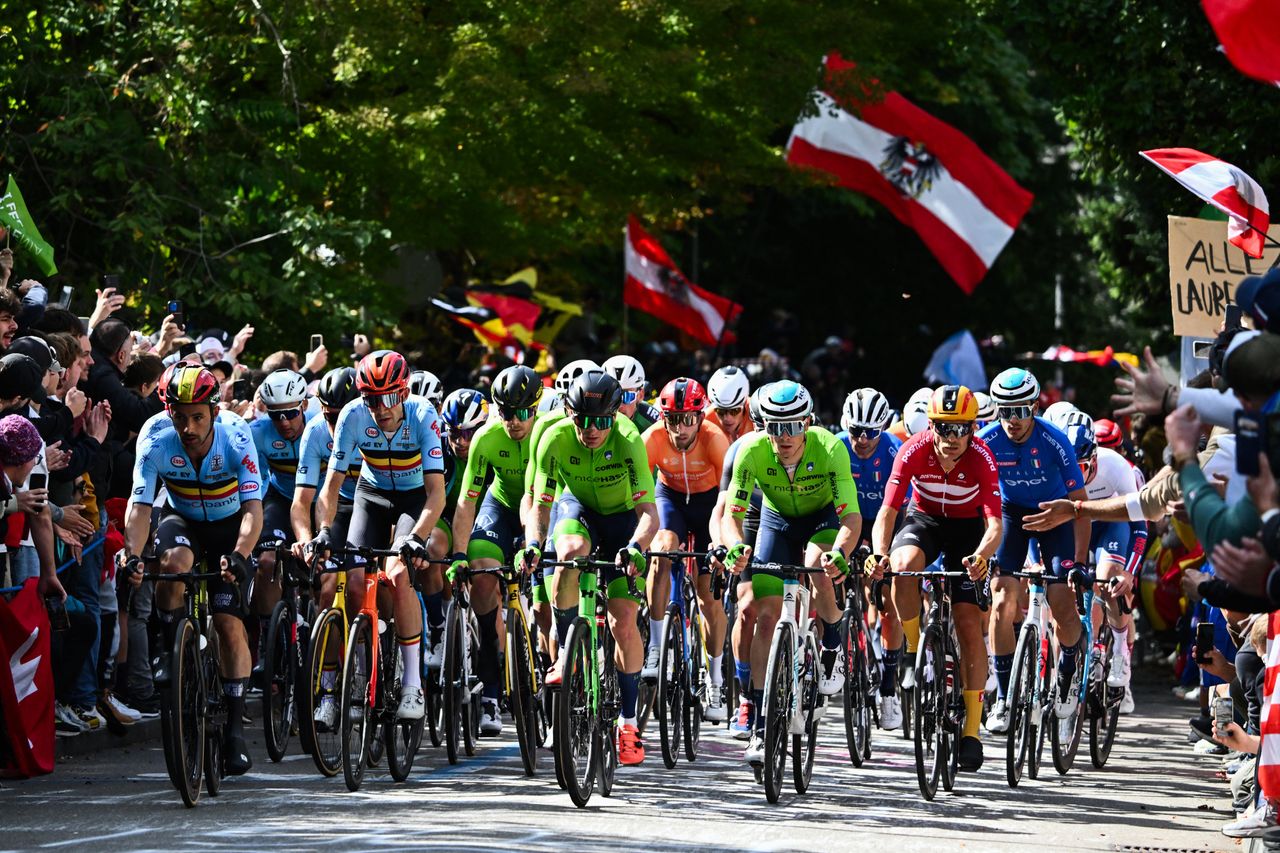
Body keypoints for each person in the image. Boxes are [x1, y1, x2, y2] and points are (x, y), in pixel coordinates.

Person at [120, 365, 263, 775]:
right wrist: (132, 553)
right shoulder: (154, 436)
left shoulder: (237, 434)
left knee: (227, 625)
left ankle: (234, 732)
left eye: (197, 416)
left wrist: (239, 554)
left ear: (214, 412)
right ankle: (173, 648)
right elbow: (140, 505)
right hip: (181, 518)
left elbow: (254, 510)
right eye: (179, 416)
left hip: (230, 527)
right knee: (171, 566)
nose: (187, 427)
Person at [520, 369, 658, 766]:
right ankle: (566, 651)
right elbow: (540, 504)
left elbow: (649, 512)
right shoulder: (555, 437)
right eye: (582, 419)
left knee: (623, 622)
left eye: (601, 421)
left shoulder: (629, 438)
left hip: (621, 522)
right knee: (568, 552)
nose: (591, 429)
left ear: (614, 416)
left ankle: (628, 723)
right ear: (569, 411)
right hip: (576, 507)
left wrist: (635, 548)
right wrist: (532, 543)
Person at [722, 380, 861, 767]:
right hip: (776, 520)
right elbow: (731, 515)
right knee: (766, 620)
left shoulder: (830, 447)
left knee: (817, 565)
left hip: (821, 519)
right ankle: (762, 729)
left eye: (793, 426)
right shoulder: (751, 450)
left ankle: (832, 637)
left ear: (808, 422)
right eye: (774, 427)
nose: (784, 437)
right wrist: (734, 546)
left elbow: (850, 515)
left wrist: (841, 552)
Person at [868, 385, 1002, 773]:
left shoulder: (981, 457)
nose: (952, 439)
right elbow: (888, 513)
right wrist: (880, 554)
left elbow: (995, 525)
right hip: (924, 519)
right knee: (903, 563)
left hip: (967, 529)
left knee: (967, 624)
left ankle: (972, 731)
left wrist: (982, 556)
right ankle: (913, 649)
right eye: (943, 428)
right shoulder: (914, 449)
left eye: (961, 429)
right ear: (931, 426)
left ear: (973, 429)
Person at [309, 350, 447, 721]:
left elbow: (437, 493)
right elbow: (331, 485)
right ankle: (360, 670)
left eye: (388, 398)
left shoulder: (423, 415)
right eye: (371, 399)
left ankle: (413, 685)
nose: (380, 408)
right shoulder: (353, 417)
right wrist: (322, 531)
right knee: (353, 582)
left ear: (402, 393)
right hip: (371, 495)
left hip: (413, 496)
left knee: (400, 574)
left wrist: (418, 536)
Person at [976, 368, 1089, 732]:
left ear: (1035, 406)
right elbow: (974, 499)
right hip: (1011, 514)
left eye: (1021, 411)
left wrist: (1082, 562)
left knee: (1061, 601)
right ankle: (1006, 699)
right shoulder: (987, 439)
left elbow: (1081, 506)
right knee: (1001, 602)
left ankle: (1068, 669)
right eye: (1004, 411)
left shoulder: (1054, 440)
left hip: (1056, 514)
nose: (1012, 420)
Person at [448, 366, 543, 736]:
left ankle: (555, 677)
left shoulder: (549, 432)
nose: (514, 421)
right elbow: (466, 502)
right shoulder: (487, 439)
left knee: (548, 596)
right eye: (505, 412)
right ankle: (489, 688)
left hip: (546, 506)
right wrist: (458, 555)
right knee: (483, 573)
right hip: (501, 504)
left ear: (535, 407)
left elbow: (540, 498)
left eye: (521, 413)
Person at [640, 377, 731, 721]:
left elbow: (727, 505)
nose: (681, 428)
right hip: (671, 500)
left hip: (710, 504)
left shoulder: (715, 440)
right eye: (673, 419)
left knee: (709, 597)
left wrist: (721, 545)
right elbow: (642, 498)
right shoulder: (652, 439)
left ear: (700, 416)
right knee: (662, 550)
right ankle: (655, 646)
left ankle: (717, 678)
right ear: (663, 418)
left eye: (689, 419)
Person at [290, 366, 362, 731]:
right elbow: (303, 499)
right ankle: (331, 690)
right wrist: (306, 539)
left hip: (373, 506)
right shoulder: (317, 431)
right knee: (328, 587)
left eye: (343, 415)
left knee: (362, 586)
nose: (336, 423)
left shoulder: (372, 424)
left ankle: (377, 657)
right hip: (333, 509)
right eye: (330, 414)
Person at [835, 387, 906, 729]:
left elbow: (905, 510)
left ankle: (890, 688)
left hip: (888, 521)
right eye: (855, 432)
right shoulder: (836, 447)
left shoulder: (896, 452)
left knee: (889, 600)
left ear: (884, 428)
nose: (862, 440)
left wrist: (886, 553)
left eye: (871, 433)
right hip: (845, 520)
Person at [248, 368, 316, 684]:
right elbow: (257, 484)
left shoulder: (320, 425)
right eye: (276, 416)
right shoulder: (258, 432)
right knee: (266, 561)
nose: (284, 422)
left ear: (303, 405)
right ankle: (267, 640)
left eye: (290, 413)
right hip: (279, 495)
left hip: (316, 500)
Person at [603, 354, 661, 433]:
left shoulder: (652, 423)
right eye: (612, 396)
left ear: (640, 396)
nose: (619, 406)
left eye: (627, 396)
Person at [706, 365, 752, 441]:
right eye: (720, 411)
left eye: (734, 411)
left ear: (744, 403)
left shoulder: (757, 415)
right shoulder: (706, 421)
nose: (727, 418)